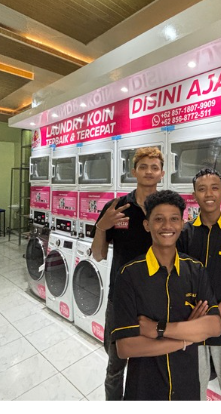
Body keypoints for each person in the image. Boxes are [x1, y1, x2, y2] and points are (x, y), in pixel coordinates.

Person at [111, 190, 221, 400]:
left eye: (174, 219)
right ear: (147, 225)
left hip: (186, 386)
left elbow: (214, 326)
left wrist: (157, 329)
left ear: (182, 223)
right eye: (159, 219)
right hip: (144, 390)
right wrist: (186, 339)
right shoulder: (129, 275)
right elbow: (126, 347)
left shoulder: (195, 270)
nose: (167, 226)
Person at [90, 146, 165, 400]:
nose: (148, 172)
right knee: (115, 366)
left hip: (157, 298)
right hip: (121, 299)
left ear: (162, 173)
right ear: (133, 171)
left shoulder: (166, 208)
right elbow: (98, 255)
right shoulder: (117, 207)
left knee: (152, 364)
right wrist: (102, 227)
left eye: (154, 167)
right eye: (143, 167)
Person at [177, 168, 221, 400]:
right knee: (192, 393)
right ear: (194, 195)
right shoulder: (184, 234)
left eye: (215, 188)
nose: (209, 194)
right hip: (193, 324)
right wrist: (209, 319)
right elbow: (178, 281)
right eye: (202, 189)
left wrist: (217, 315)